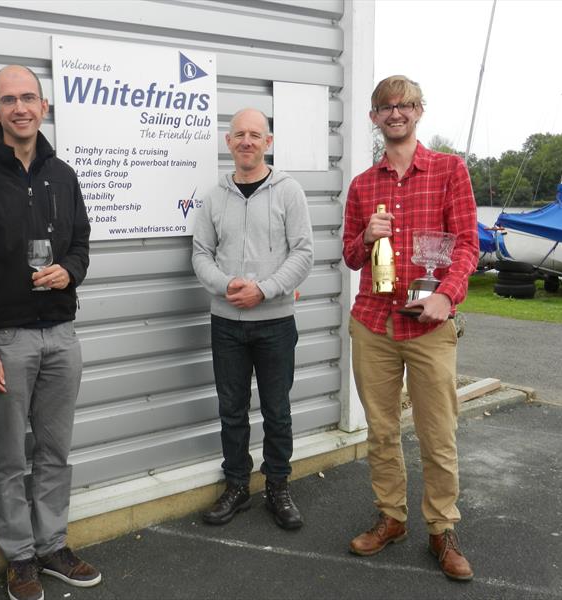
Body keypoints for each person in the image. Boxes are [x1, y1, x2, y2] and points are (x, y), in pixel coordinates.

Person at [0, 65, 97, 600]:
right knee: (10, 456)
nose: (20, 108)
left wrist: (70, 270)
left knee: (55, 450)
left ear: (44, 106)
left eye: (29, 98)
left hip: (61, 332)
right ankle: (19, 557)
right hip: (6, 340)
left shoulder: (63, 173)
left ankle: (53, 543)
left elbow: (82, 241)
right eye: (8, 100)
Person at [342, 75, 478, 581]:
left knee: (437, 434)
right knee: (381, 431)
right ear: (374, 118)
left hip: (430, 326)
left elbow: (468, 243)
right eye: (385, 107)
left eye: (405, 105)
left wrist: (448, 294)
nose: (395, 114)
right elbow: (351, 256)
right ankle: (392, 518)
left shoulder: (449, 170)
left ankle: (441, 530)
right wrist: (364, 235)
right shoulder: (362, 185)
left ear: (419, 111)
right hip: (373, 324)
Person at [192, 108, 314, 530]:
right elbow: (200, 254)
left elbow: (303, 253)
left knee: (277, 409)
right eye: (239, 134)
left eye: (255, 135)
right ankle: (238, 485)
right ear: (228, 142)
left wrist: (264, 289)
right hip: (226, 322)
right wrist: (227, 285)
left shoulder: (289, 192)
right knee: (232, 410)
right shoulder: (213, 197)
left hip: (276, 322)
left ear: (268, 142)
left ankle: (278, 485)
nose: (247, 141)